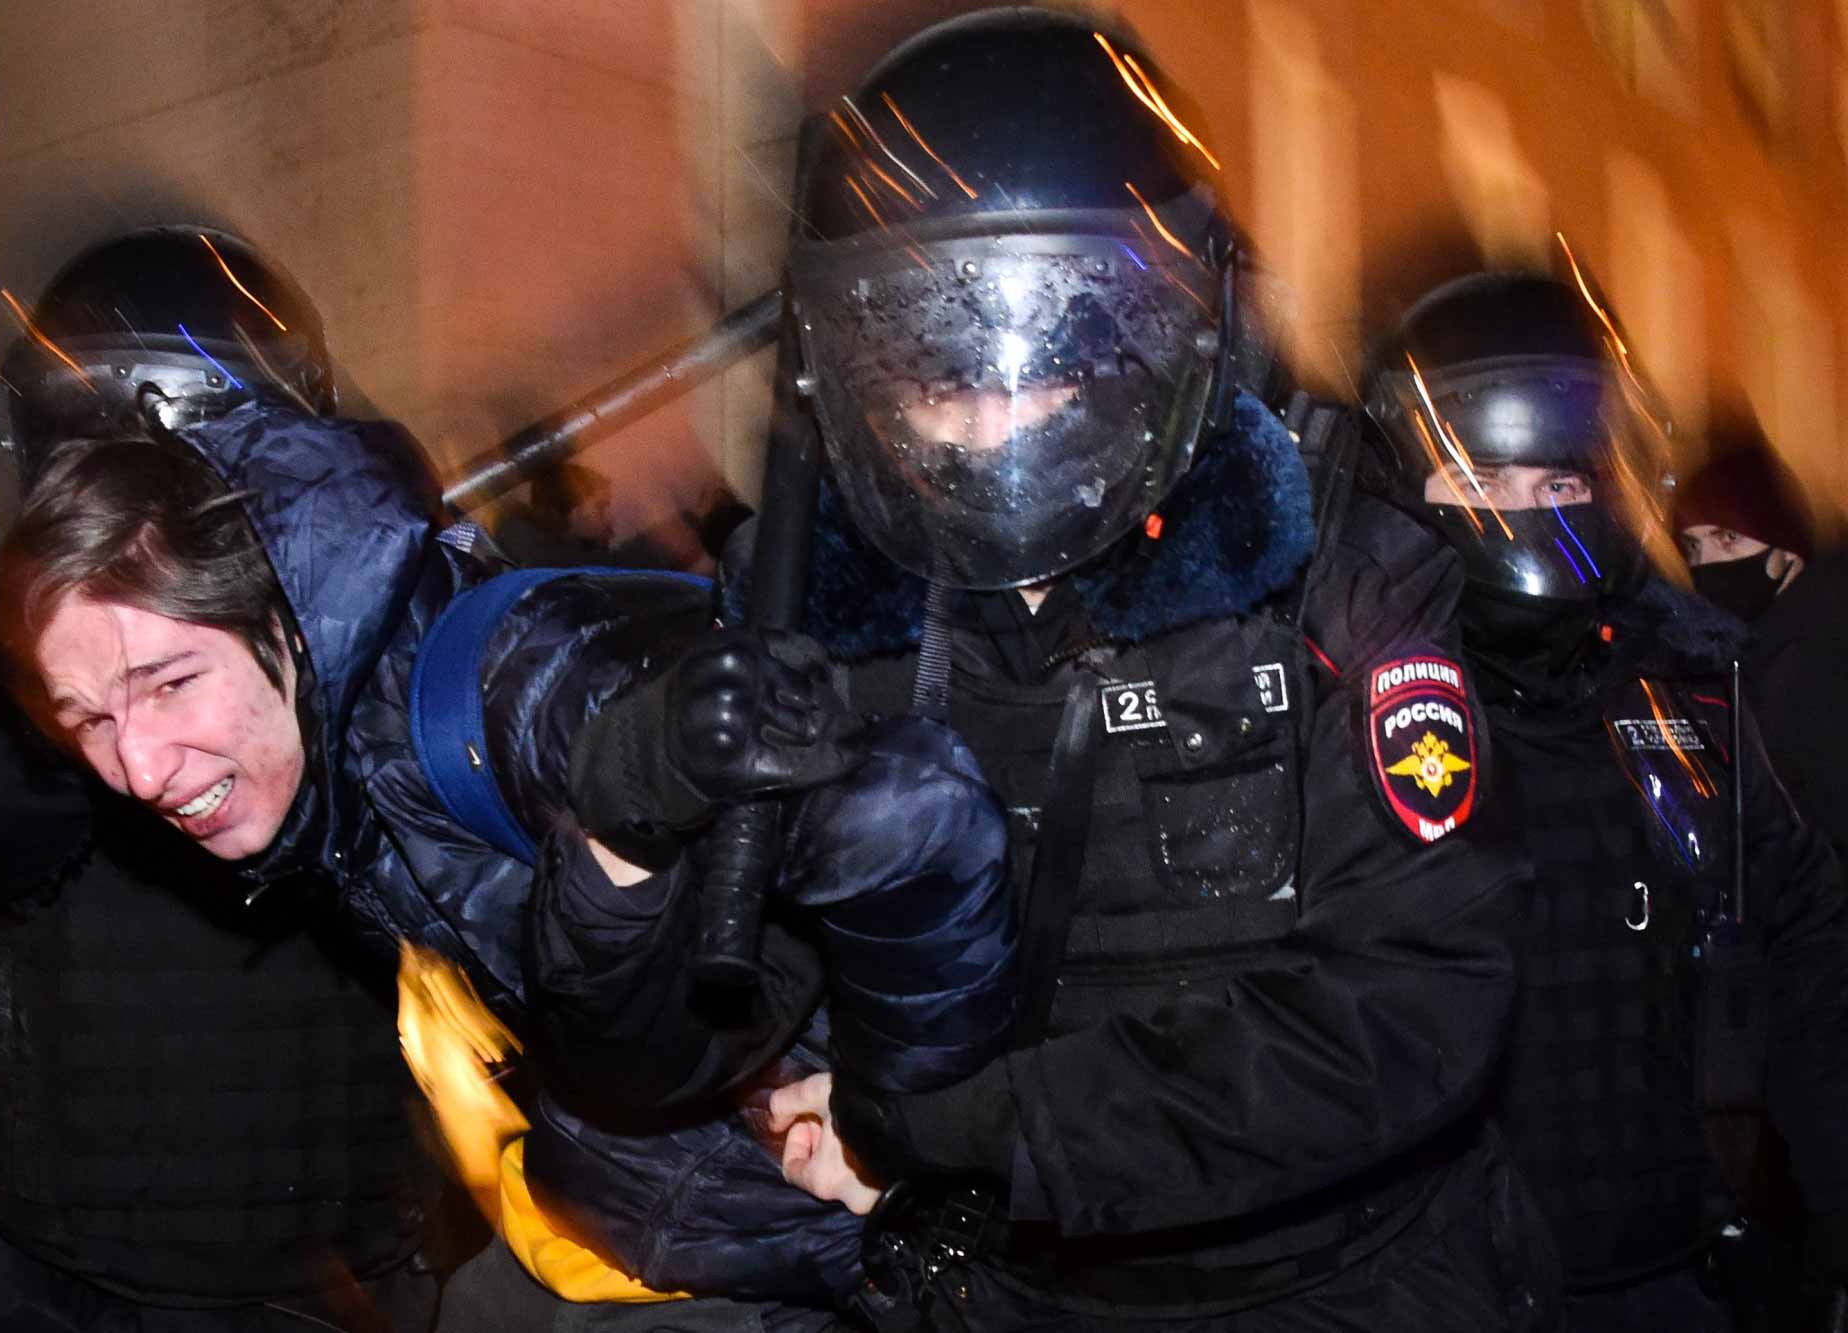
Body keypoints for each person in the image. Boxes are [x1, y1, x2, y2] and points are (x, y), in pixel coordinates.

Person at [529, 10, 1546, 1329]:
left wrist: (955, 1126)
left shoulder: (1333, 579)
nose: (992, 427)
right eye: (934, 384)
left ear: (1166, 340)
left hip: (1342, 1292)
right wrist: (622, 833)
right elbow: (670, 1057)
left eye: (1052, 374)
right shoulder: (838, 624)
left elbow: (1409, 1003)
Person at [0, 218, 1019, 1325]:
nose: (138, 768)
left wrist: (908, 1138)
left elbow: (908, 810)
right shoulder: (325, 751)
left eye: (171, 683)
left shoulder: (499, 685)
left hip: (812, 1272)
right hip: (645, 1244)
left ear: (279, 611)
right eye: (87, 720)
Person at [0, 227, 445, 1330]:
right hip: (43, 1273)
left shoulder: (372, 626)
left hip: (309, 1283)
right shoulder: (10, 652)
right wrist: (81, 686)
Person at [1361, 269, 1848, 1330]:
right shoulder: (1350, 710)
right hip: (1430, 1292)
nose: (1522, 516)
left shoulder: (1684, 695)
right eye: (1478, 477)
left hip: (1669, 1272)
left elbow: (1808, 949)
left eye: (1559, 484)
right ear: (1405, 484)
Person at [1674, 438, 1848, 856]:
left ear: (1787, 552)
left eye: (1728, 537)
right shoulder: (1753, 650)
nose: (1706, 564)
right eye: (1694, 547)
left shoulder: (1815, 665)